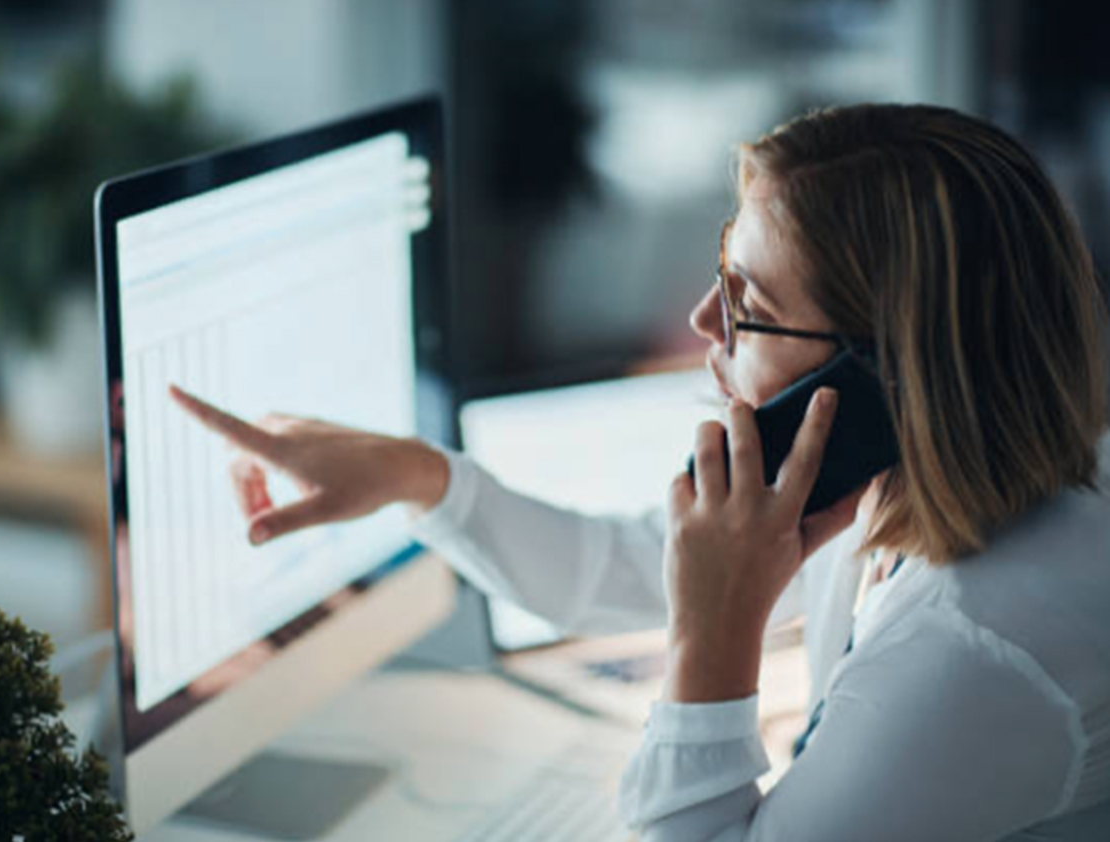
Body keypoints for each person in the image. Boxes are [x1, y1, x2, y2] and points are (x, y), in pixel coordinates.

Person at [170, 103, 1110, 840]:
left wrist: (717, 632)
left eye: (746, 302)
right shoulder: (896, 479)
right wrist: (421, 478)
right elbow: (622, 567)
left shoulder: (979, 653)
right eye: (719, 270)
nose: (702, 322)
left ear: (877, 376)